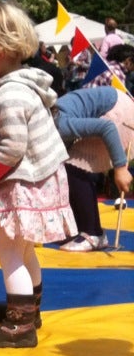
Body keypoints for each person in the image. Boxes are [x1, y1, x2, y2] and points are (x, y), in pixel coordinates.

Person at [0, 2, 76, 348]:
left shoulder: (8, 94)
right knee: (23, 251)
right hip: (41, 181)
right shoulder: (24, 86)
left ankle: (19, 328)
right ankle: (28, 309)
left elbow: (12, 148)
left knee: (8, 253)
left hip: (25, 185)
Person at [55, 87, 134, 251]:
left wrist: (120, 168)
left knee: (74, 165)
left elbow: (106, 128)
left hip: (120, 114)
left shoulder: (60, 124)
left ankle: (92, 233)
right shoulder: (53, 120)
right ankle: (82, 227)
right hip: (112, 105)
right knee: (67, 166)